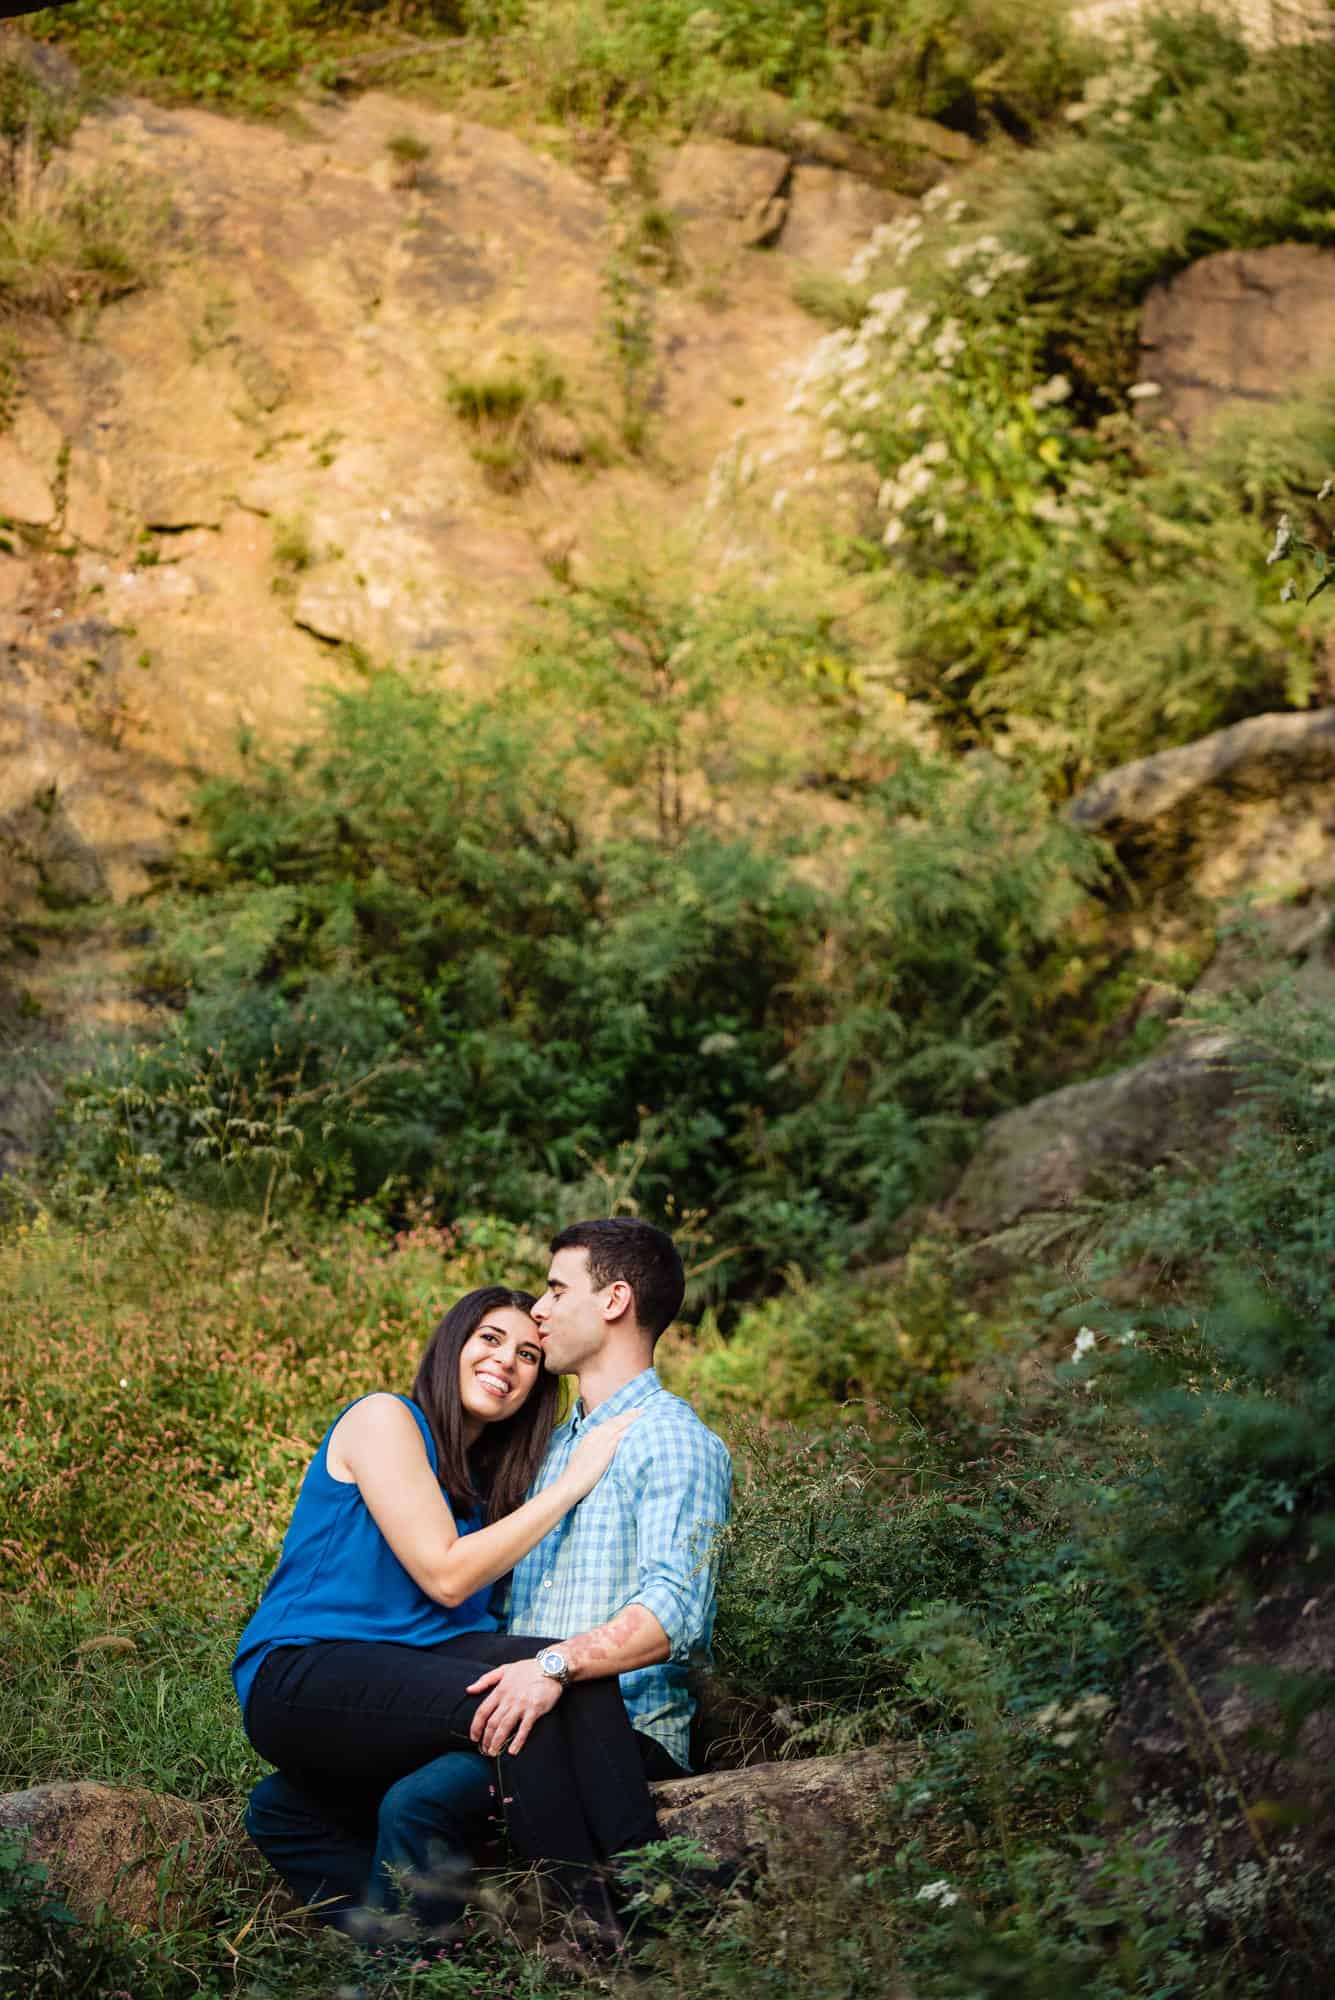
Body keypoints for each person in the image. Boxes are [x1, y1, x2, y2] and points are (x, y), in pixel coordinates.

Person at [235, 1282, 663, 1936]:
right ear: (451, 1345)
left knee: (556, 1669)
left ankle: (420, 1953)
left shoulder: (486, 1483)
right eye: (489, 1339)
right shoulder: (385, 1419)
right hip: (302, 1674)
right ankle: (599, 1929)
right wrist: (576, 1480)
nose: (506, 1362)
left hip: (399, 1678)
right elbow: (444, 1575)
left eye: (527, 1354)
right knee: (523, 1696)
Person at [353, 1217, 735, 1910]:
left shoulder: (674, 1441)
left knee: (416, 1806)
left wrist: (552, 1666)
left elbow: (674, 1616)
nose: (539, 1309)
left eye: (557, 1290)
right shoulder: (549, 1453)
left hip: (620, 1733)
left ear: (614, 1301)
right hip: (515, 1720)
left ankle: (411, 1978)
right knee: (303, 1795)